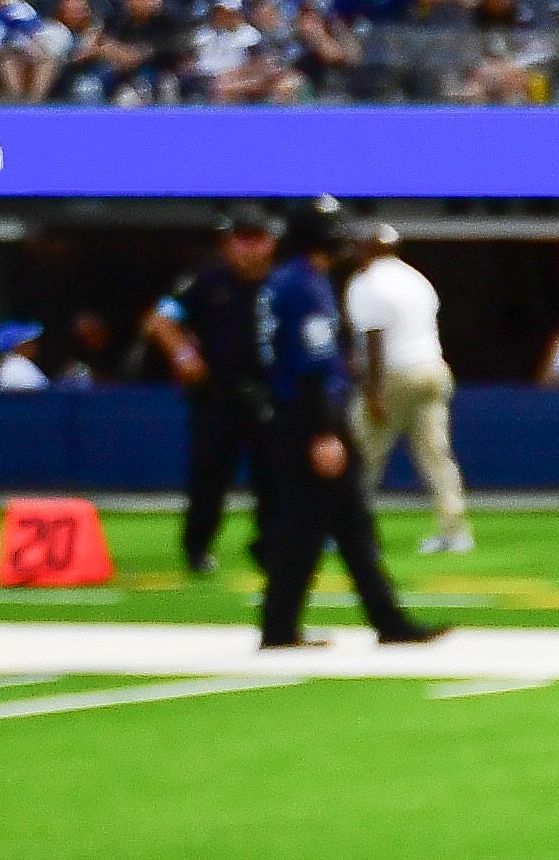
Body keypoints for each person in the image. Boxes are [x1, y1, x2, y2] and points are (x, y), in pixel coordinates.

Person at [226, 202, 447, 654]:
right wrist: (324, 432)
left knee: (348, 524)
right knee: (306, 528)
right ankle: (285, 625)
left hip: (298, 414)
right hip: (311, 418)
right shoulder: (305, 285)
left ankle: (384, 619)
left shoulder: (285, 281)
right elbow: (311, 365)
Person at [136, 219, 275, 584]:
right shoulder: (206, 281)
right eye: (241, 239)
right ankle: (197, 548)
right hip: (217, 397)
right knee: (209, 477)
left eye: (256, 239)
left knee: (273, 477)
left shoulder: (279, 283)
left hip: (268, 395)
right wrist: (183, 354)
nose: (249, 248)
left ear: (270, 243)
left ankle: (269, 546)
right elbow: (160, 319)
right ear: (229, 244)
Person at [338, 214, 468, 558]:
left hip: (393, 375)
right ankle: (454, 532)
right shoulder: (417, 279)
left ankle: (349, 530)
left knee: (361, 456)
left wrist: (372, 391)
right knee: (436, 456)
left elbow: (374, 341)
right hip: (432, 370)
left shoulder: (366, 282)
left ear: (368, 247)